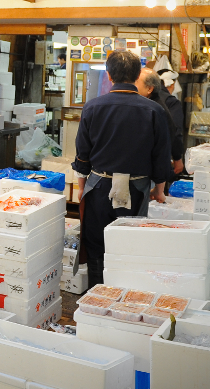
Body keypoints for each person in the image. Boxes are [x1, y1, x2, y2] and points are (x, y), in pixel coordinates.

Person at [72, 50, 171, 287]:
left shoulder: (93, 107)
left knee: (97, 244)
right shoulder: (154, 110)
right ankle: (124, 293)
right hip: (137, 188)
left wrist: (82, 188)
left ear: (109, 75)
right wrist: (159, 189)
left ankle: (97, 292)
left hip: (99, 188)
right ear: (138, 74)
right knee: (130, 243)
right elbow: (161, 157)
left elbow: (82, 155)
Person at [136, 68, 185, 176]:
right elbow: (175, 132)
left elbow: (172, 130)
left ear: (149, 88)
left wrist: (176, 157)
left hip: (149, 166)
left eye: (136, 82)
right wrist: (177, 158)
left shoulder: (159, 106)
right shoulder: (138, 101)